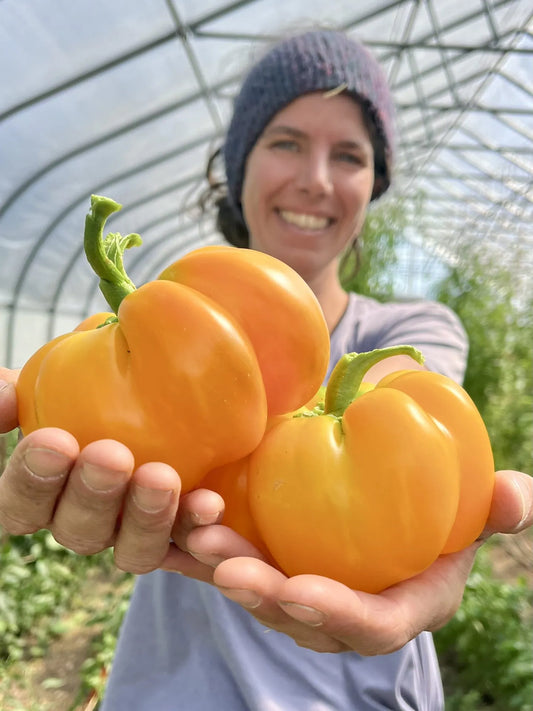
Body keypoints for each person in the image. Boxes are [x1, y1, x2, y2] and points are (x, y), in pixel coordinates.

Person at [0, 28, 532, 711]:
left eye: (349, 154)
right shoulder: (153, 330)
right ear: (237, 163)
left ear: (374, 183)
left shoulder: (408, 333)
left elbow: (414, 427)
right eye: (285, 141)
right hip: (169, 687)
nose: (314, 178)